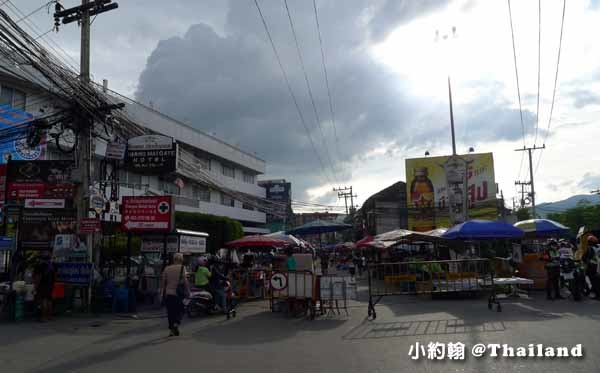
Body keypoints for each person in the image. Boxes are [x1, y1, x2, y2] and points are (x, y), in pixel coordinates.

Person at [162, 253, 190, 337]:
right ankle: (176, 324)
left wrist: (161, 293)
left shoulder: (167, 268)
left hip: (169, 293)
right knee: (181, 309)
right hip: (179, 294)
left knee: (171, 312)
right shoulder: (182, 268)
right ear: (181, 260)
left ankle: (171, 330)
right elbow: (185, 281)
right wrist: (188, 290)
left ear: (173, 260)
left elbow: (163, 282)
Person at [33, 254, 55, 322]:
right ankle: (49, 316)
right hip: (50, 285)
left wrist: (36, 286)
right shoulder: (51, 266)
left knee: (43, 300)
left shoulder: (40, 266)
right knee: (49, 300)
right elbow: (55, 276)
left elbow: (38, 277)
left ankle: (43, 317)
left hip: (42, 285)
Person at [582, 235, 600, 300]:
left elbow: (584, 257)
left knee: (594, 281)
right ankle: (593, 291)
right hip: (599, 266)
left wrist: (585, 260)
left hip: (593, 267)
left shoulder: (590, 248)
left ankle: (597, 295)